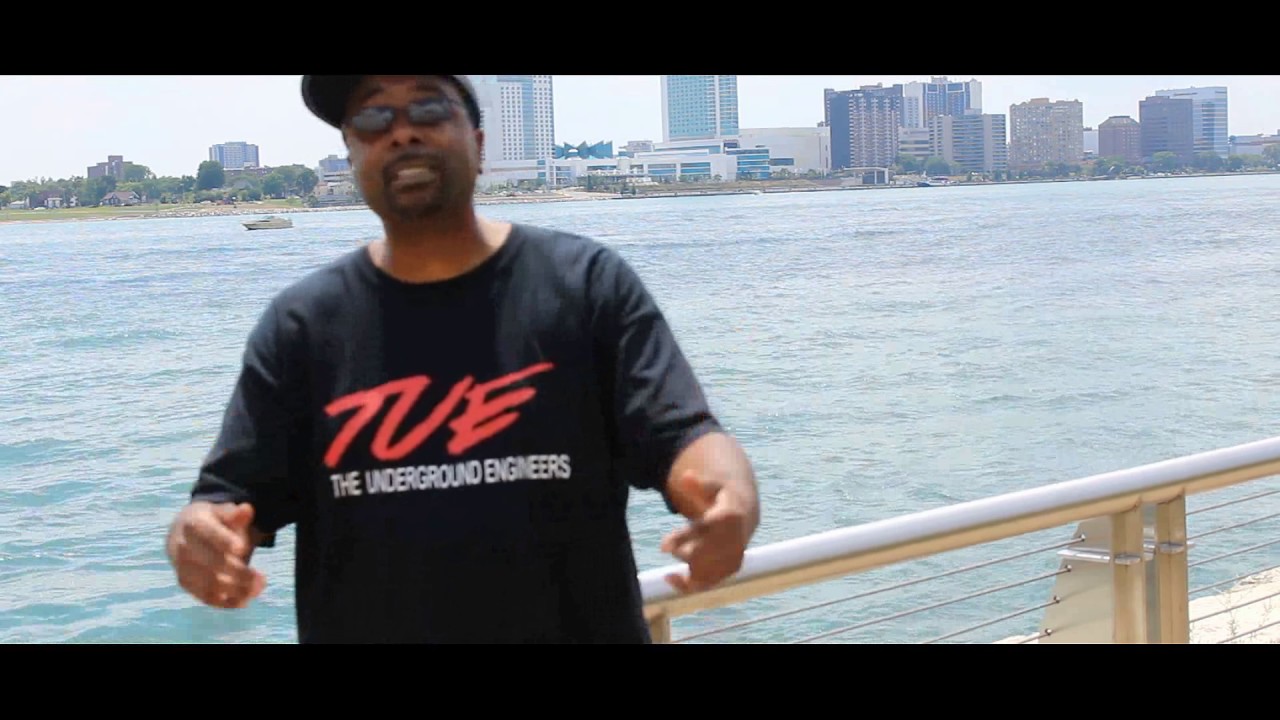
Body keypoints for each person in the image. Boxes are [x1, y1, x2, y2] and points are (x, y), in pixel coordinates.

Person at [164, 74, 760, 643]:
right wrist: (198, 539)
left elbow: (683, 437)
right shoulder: (301, 326)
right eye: (372, 118)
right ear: (351, 156)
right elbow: (226, 502)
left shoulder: (587, 286)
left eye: (428, 107)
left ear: (478, 145)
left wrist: (730, 498)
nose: (402, 132)